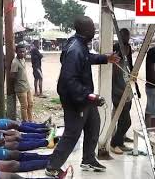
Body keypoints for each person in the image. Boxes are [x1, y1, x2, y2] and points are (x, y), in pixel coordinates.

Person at [45, 15, 120, 177]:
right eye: (93, 27)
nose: (94, 30)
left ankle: (88, 159)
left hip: (85, 99)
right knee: (72, 133)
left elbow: (86, 58)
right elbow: (69, 80)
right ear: (86, 30)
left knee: (94, 125)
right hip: (76, 100)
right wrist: (90, 96)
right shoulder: (75, 49)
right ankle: (52, 166)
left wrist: (106, 58)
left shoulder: (78, 44)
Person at [110, 28, 140, 154]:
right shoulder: (117, 60)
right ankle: (114, 143)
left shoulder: (127, 58)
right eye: (125, 38)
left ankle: (120, 142)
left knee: (124, 119)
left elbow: (132, 71)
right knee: (126, 121)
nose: (128, 50)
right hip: (119, 93)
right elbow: (114, 79)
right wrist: (120, 92)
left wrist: (136, 89)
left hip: (127, 91)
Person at [10, 44, 33, 122]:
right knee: (24, 106)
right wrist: (18, 81)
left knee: (30, 104)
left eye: (24, 52)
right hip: (20, 87)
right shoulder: (15, 62)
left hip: (27, 86)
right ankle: (25, 122)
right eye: (20, 52)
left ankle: (30, 121)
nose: (22, 53)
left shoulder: (23, 59)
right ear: (16, 52)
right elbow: (12, 76)